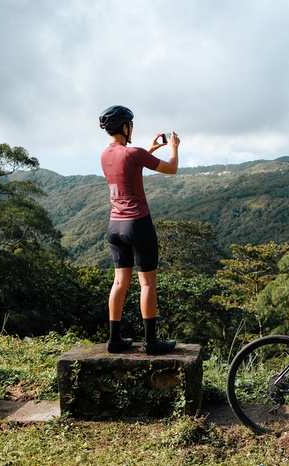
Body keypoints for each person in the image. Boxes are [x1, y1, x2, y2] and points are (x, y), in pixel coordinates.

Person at [99, 105, 180, 355]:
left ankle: (114, 341)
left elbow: (130, 162)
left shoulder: (105, 155)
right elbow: (171, 167)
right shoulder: (135, 153)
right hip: (138, 224)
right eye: (130, 124)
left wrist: (150, 149)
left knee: (119, 282)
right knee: (147, 284)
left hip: (115, 226)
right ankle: (151, 343)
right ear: (125, 127)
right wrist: (174, 147)